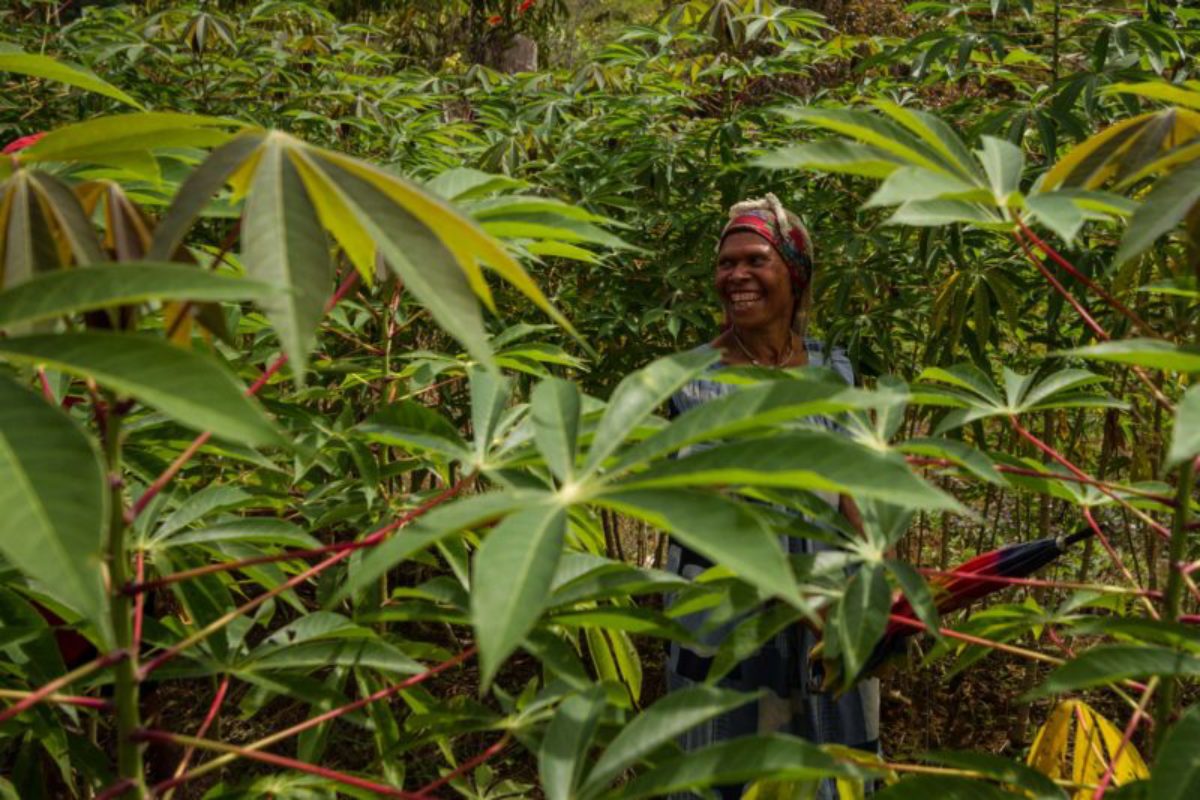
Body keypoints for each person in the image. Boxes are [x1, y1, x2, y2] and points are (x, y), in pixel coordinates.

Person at [664, 193, 879, 800]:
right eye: (726, 263)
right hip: (726, 616)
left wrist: (873, 590)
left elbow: (851, 488)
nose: (736, 276)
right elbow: (706, 511)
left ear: (795, 272)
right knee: (723, 769)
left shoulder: (834, 369)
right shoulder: (687, 379)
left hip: (830, 612)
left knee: (829, 768)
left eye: (755, 260)